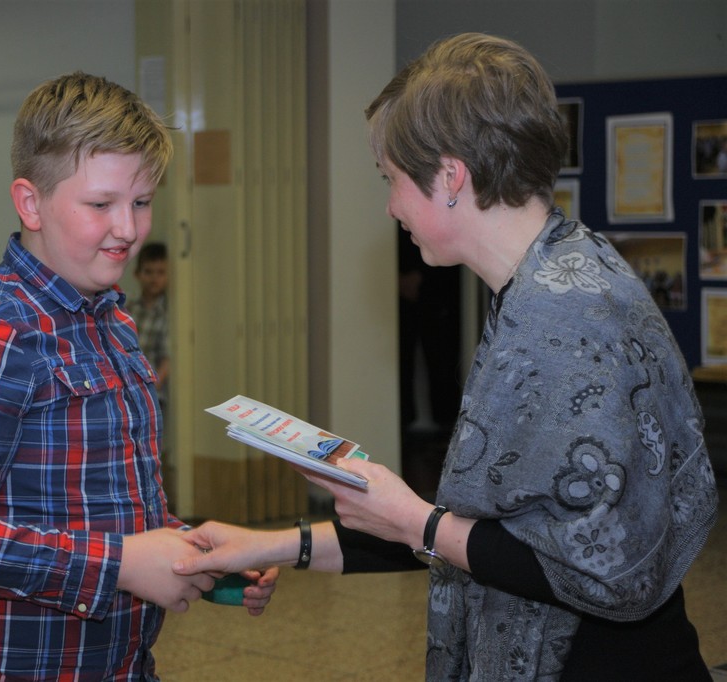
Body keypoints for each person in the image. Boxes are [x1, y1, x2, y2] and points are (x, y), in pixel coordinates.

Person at [174, 33, 719, 681]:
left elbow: (594, 568)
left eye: (392, 179)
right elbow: (491, 531)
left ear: (451, 176)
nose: (390, 206)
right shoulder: (558, 271)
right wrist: (270, 545)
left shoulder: (563, 315)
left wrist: (413, 519)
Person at [0, 71, 277, 681]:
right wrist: (119, 564)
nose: (128, 228)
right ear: (31, 203)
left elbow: (110, 504)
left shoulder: (111, 319)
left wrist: (192, 552)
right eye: (101, 205)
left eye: (142, 202)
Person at [127, 241, 170, 409]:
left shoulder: (167, 312)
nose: (154, 278)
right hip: (128, 389)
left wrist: (152, 389)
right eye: (148, 272)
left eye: (160, 272)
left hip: (153, 393)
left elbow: (167, 358)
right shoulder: (128, 309)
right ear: (137, 274)